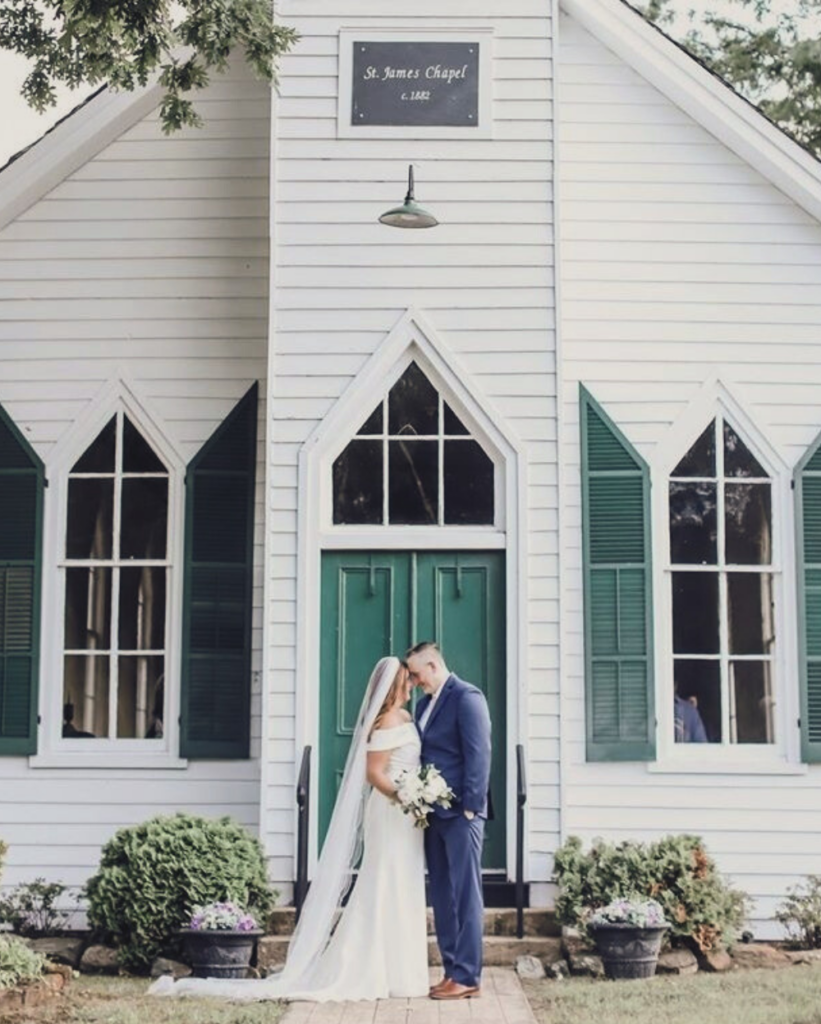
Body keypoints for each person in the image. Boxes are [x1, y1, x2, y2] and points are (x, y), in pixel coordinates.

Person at [151, 656, 428, 1002]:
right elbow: (375, 773)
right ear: (395, 685)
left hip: (406, 817)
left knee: (404, 883)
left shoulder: (406, 717)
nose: (413, 684)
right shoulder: (386, 720)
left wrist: (418, 795)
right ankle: (371, 967)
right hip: (391, 812)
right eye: (408, 680)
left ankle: (402, 970)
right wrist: (405, 798)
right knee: (384, 882)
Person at [405, 641, 492, 1001]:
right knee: (442, 893)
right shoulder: (425, 705)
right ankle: (451, 969)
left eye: (415, 673)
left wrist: (471, 808)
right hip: (433, 814)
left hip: (461, 815)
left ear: (433, 665)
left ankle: (468, 975)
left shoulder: (467, 697)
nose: (413, 681)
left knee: (465, 894)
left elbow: (479, 753)